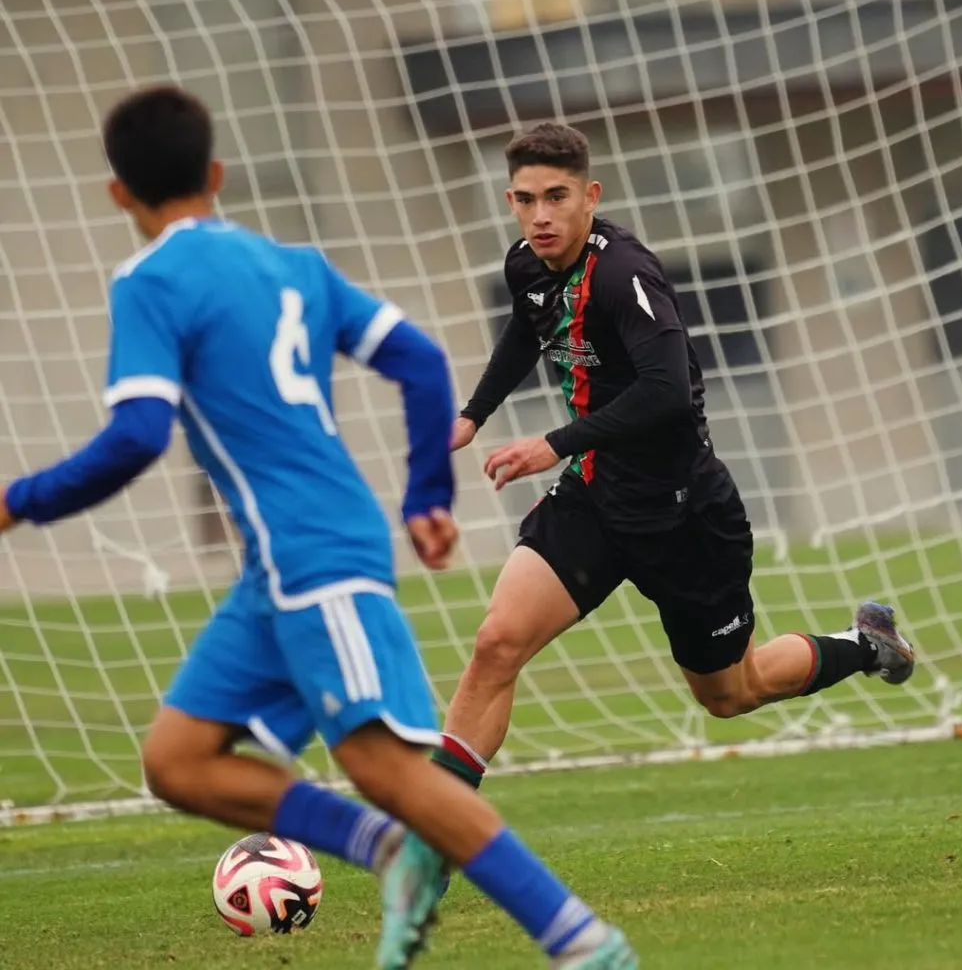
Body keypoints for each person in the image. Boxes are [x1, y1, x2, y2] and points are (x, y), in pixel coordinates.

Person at [0, 90, 637, 970]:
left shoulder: (148, 282)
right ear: (216, 176)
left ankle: (588, 946)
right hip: (281, 563)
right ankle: (388, 854)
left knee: (391, 772)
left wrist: (16, 502)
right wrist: (423, 497)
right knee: (178, 761)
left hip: (314, 552)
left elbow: (139, 434)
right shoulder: (289, 263)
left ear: (120, 195)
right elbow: (416, 357)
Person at [402, 120, 915, 850]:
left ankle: (865, 644)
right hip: (593, 499)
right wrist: (471, 416)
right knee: (496, 643)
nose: (540, 215)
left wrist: (553, 442)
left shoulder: (624, 274)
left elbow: (668, 390)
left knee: (729, 693)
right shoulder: (528, 264)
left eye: (556, 197)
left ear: (590, 196)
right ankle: (435, 842)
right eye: (525, 199)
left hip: (684, 516)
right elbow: (527, 327)